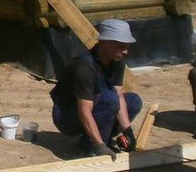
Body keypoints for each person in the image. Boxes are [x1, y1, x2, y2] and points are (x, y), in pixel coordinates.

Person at [51, 19, 143, 157]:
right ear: (104, 42)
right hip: (67, 116)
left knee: (134, 101)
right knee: (109, 100)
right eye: (121, 45)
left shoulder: (117, 61)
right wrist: (98, 145)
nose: (125, 51)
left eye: (127, 46)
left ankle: (100, 140)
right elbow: (84, 110)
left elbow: (119, 95)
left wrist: (127, 131)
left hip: (95, 105)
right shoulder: (83, 67)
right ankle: (91, 147)